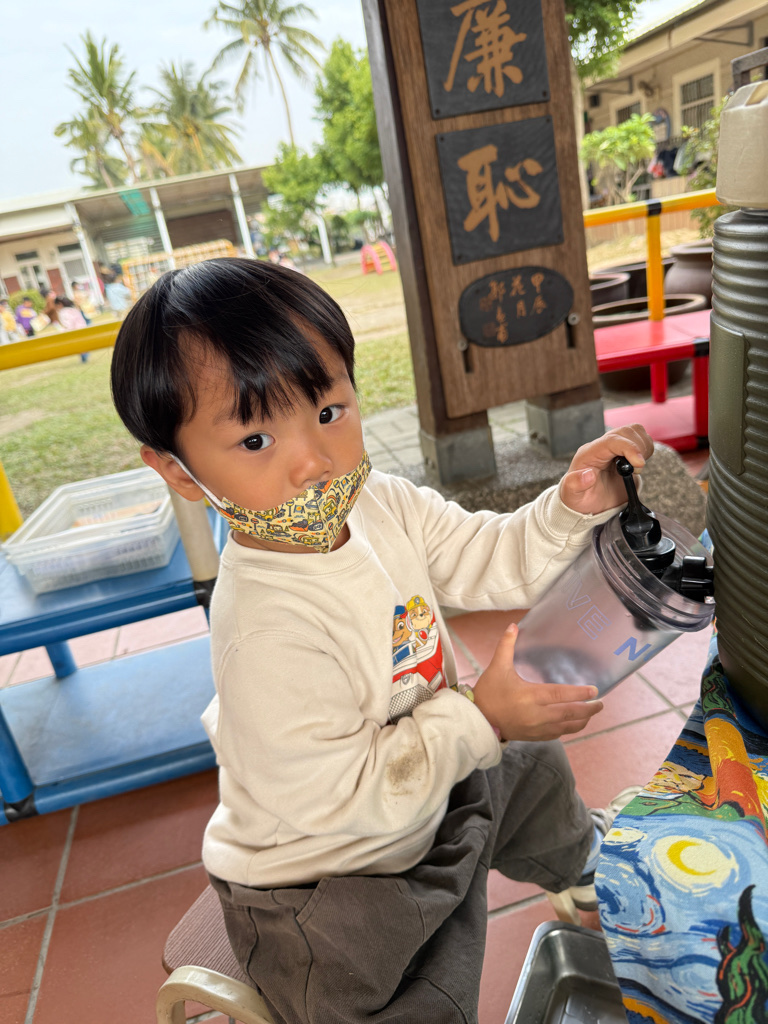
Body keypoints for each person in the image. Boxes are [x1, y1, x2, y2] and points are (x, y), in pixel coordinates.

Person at [110, 258, 651, 1024]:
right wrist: (480, 718)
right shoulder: (263, 629)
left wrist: (568, 509)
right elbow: (341, 805)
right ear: (179, 472)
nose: (313, 461)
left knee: (526, 763)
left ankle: (583, 866)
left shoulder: (380, 502)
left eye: (329, 410)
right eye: (256, 438)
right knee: (394, 993)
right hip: (325, 880)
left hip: (425, 793)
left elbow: (493, 556)